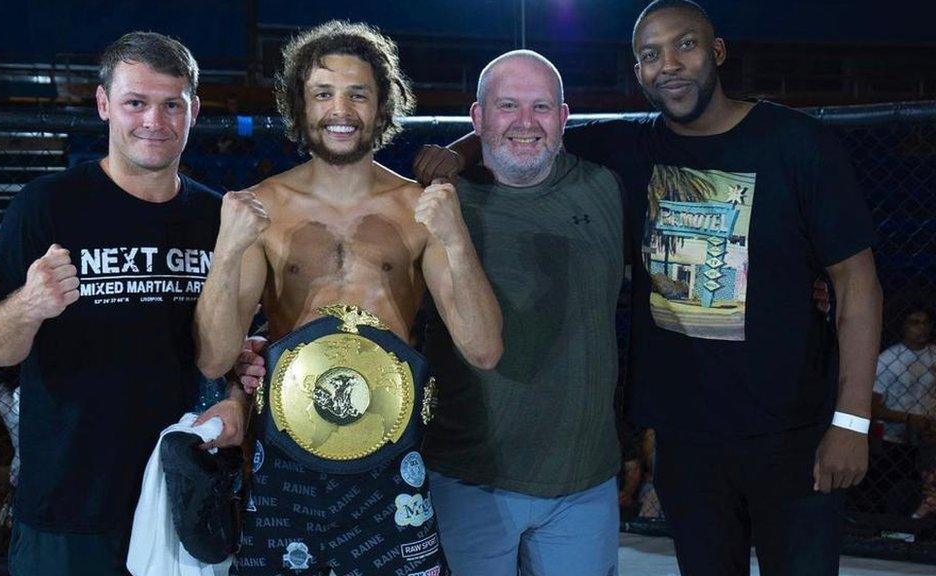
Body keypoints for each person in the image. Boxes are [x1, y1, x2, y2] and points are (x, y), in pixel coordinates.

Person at [416, 2, 883, 574]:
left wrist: (851, 421)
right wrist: (455, 153)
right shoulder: (628, 149)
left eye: (684, 46)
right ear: (638, 73)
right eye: (650, 55)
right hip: (687, 443)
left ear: (716, 51)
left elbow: (856, 283)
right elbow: (522, 134)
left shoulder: (798, 144)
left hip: (794, 435)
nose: (670, 65)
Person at [196, 20, 502, 576]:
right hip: (284, 457)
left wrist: (455, 239)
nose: (342, 109)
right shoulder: (262, 208)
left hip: (392, 454)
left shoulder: (421, 209)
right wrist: (226, 248)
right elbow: (215, 358)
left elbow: (484, 350)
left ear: (383, 106)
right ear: (300, 105)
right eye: (323, 94)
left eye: (358, 93)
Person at [0, 31, 248, 576]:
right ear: (103, 105)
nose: (154, 122)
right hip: (67, 506)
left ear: (194, 110)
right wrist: (28, 305)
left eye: (172, 105)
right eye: (135, 103)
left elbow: (243, 349)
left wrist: (237, 399)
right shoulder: (46, 205)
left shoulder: (219, 220)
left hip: (182, 497)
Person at [420, 51, 623, 576]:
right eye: (506, 105)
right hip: (470, 480)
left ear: (565, 116)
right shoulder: (437, 205)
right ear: (478, 116)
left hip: (585, 486)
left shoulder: (606, 187)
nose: (526, 122)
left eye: (541, 106)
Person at [866, 304, 936, 513]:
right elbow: (873, 406)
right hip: (893, 441)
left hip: (929, 437)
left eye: (925, 323)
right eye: (915, 323)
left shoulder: (933, 355)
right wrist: (907, 418)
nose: (921, 328)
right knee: (894, 492)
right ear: (903, 326)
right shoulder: (888, 360)